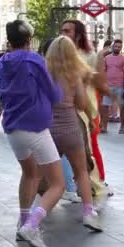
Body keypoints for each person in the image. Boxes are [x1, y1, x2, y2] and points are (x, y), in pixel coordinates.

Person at [0, 20, 65, 247]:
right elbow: (54, 94)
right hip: (35, 127)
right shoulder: (33, 59)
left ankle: (22, 221)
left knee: (30, 173)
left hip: (13, 129)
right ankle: (32, 225)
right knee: (57, 184)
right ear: (28, 39)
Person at [45, 36, 103, 231]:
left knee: (40, 176)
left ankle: (29, 217)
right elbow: (81, 103)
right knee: (81, 171)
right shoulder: (74, 75)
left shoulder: (44, 74)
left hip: (48, 130)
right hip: (70, 128)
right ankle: (88, 213)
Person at [60, 19, 114, 203]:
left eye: (67, 31)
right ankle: (68, 185)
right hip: (64, 107)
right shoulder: (60, 55)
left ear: (78, 34)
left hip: (86, 107)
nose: (63, 34)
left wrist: (110, 95)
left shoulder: (91, 55)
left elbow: (99, 82)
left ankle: (97, 186)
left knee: (87, 148)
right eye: (62, 30)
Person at [101, 39, 124, 134]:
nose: (117, 48)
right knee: (105, 106)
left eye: (119, 47)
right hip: (108, 86)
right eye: (115, 46)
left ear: (121, 48)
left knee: (121, 106)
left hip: (120, 86)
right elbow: (103, 71)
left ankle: (122, 127)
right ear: (112, 47)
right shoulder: (106, 58)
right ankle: (104, 126)